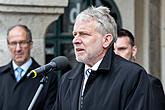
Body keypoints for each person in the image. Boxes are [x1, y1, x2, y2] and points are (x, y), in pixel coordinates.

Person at [52, 6, 154, 110]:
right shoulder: (67, 80)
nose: (75, 41)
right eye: (75, 35)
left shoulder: (133, 75)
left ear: (106, 40)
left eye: (84, 34)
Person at [0, 24, 58, 110]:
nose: (18, 49)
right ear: (8, 46)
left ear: (30, 44)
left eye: (22, 42)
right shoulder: (1, 75)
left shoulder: (48, 77)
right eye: (13, 43)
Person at [114, 28, 165, 110]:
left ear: (133, 51)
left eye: (122, 49)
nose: (116, 54)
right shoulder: (103, 81)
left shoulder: (150, 83)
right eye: (112, 50)